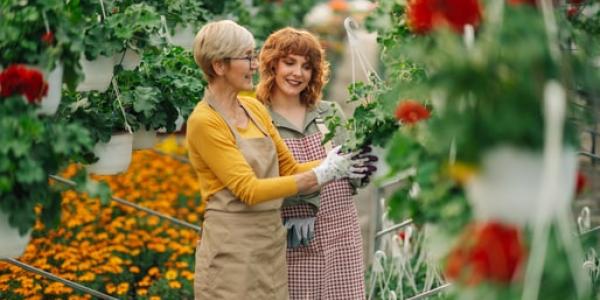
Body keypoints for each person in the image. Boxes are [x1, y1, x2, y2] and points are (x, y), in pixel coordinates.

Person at [186, 20, 372, 299]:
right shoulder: (205, 121)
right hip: (233, 250)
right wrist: (320, 176)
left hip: (270, 247)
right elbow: (248, 189)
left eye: (253, 55)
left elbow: (289, 168)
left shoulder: (250, 109)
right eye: (247, 57)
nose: (253, 65)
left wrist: (341, 166)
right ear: (219, 66)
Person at [256, 27, 376, 300]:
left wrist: (362, 169)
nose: (298, 73)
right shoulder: (259, 117)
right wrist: (299, 202)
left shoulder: (327, 112)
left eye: (307, 66)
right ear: (272, 64)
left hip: (340, 233)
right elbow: (258, 183)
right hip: (291, 239)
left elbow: (350, 171)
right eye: (290, 62)